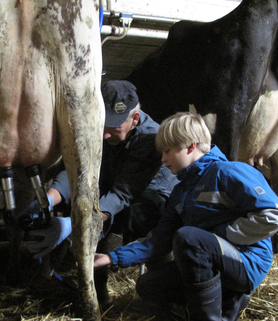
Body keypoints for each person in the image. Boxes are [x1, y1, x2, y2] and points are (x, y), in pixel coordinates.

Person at [94, 111, 278, 321]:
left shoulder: (228, 172)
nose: (163, 159)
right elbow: (158, 242)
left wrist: (224, 233)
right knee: (148, 285)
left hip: (247, 261)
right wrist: (112, 257)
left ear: (190, 146)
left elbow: (275, 215)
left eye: (168, 151)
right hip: (214, 259)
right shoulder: (181, 192)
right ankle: (223, 303)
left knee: (189, 237)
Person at [19, 80, 178, 259]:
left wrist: (75, 224)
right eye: (102, 124)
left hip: (147, 200)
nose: (105, 135)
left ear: (134, 118)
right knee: (87, 204)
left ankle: (155, 260)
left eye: (115, 126)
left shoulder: (150, 139)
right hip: (114, 189)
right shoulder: (97, 128)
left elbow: (122, 193)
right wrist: (48, 200)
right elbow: (79, 169)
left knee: (137, 215)